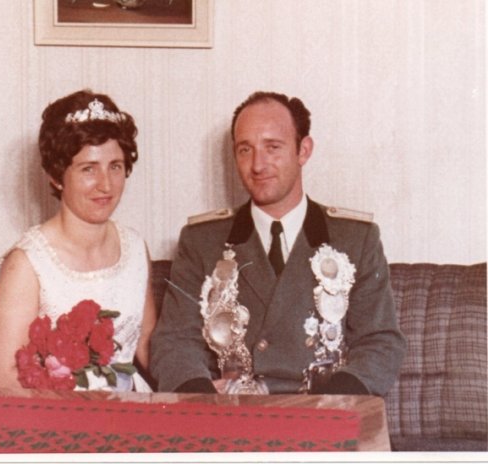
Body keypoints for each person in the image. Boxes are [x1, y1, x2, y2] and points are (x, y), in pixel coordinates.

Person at [150, 91, 405, 395]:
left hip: (323, 411)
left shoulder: (355, 239)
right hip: (232, 413)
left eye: (272, 147)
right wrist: (203, 399)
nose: (258, 165)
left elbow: (380, 342)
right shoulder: (202, 241)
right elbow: (174, 342)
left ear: (303, 150)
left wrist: (335, 402)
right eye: (245, 150)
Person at [0, 90, 156, 391]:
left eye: (115, 166)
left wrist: (196, 387)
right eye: (88, 169)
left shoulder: (135, 248)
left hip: (132, 407)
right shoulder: (26, 264)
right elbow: (5, 379)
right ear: (56, 176)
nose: (106, 185)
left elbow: (146, 344)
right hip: (53, 414)